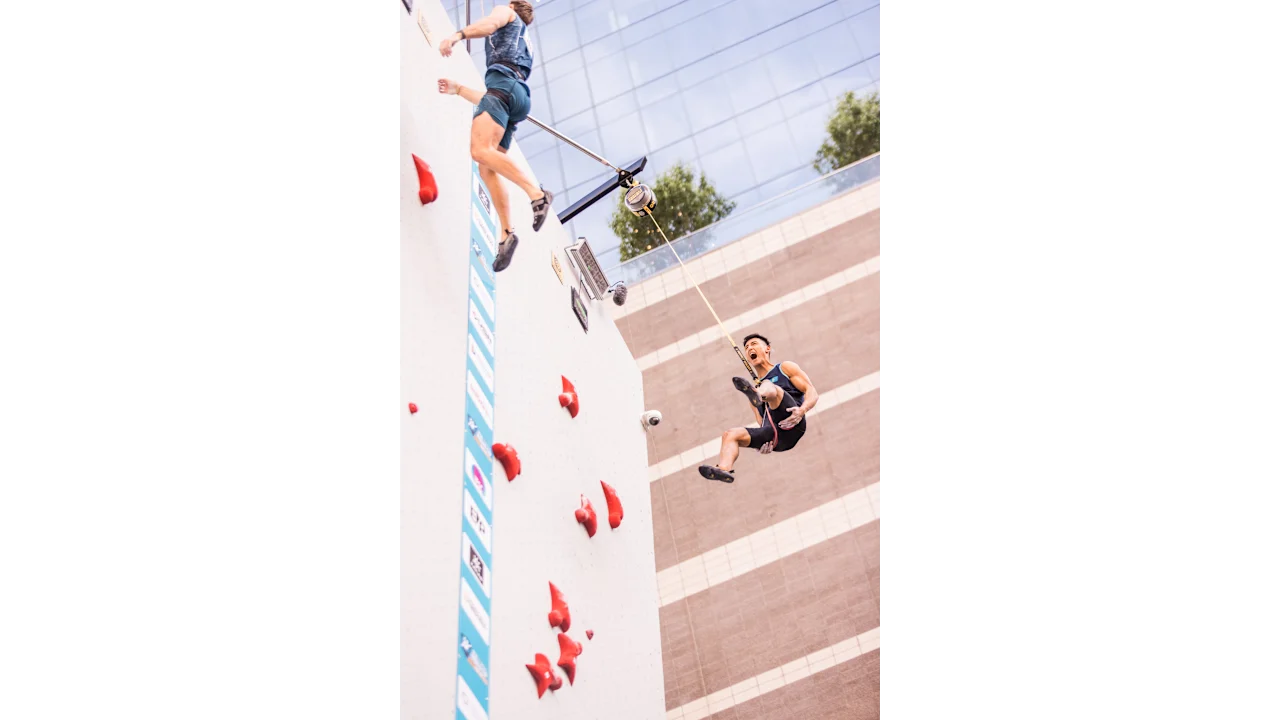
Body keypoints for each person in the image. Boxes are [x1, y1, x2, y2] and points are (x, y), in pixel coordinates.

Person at [437, 0, 554, 273]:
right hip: (517, 97)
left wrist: (457, 36)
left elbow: (489, 25)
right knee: (486, 166)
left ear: (513, 5)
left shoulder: (506, 11)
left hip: (504, 87)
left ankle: (537, 194)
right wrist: (459, 89)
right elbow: (494, 100)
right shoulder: (524, 40)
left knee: (479, 150)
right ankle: (506, 233)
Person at [699, 334, 820, 483]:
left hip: (793, 423)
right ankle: (724, 469)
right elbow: (762, 424)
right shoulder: (753, 399)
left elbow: (811, 391)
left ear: (767, 348)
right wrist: (760, 443)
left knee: (769, 387)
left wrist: (802, 410)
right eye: (746, 347)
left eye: (754, 344)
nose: (749, 348)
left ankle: (761, 394)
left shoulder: (784, 368)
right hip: (777, 439)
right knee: (730, 435)